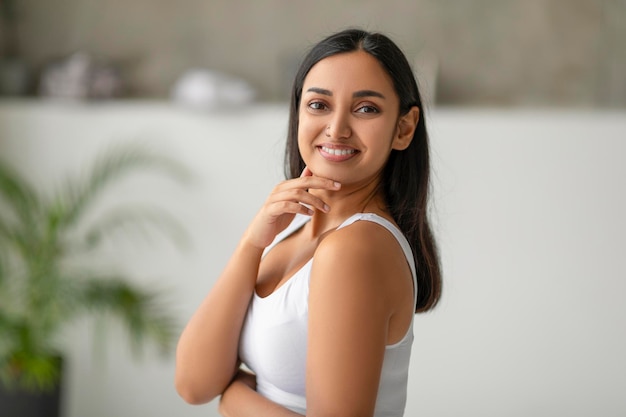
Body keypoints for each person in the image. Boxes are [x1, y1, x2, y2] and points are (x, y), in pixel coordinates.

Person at [175, 28, 442, 417]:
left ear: (403, 128)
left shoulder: (355, 248)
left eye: (366, 108)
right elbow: (193, 383)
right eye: (319, 105)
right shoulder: (292, 238)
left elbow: (215, 391)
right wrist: (252, 243)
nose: (337, 128)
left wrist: (234, 400)